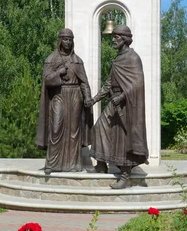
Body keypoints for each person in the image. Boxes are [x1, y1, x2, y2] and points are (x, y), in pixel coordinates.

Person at [89, 25, 149, 189]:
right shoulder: (118, 58)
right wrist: (94, 99)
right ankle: (101, 165)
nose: (113, 40)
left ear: (125, 38)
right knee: (99, 128)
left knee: (124, 138)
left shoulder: (133, 58)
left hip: (127, 104)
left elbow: (138, 84)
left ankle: (125, 176)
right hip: (114, 101)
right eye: (113, 36)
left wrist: (122, 96)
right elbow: (109, 82)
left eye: (116, 37)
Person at [36, 29, 93, 173]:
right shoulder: (51, 59)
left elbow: (84, 82)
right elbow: (47, 81)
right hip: (58, 95)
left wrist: (87, 97)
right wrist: (58, 73)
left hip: (75, 95)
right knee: (56, 128)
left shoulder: (77, 61)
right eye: (66, 39)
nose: (68, 42)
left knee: (74, 130)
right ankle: (52, 163)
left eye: (70, 40)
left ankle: (74, 164)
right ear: (60, 40)